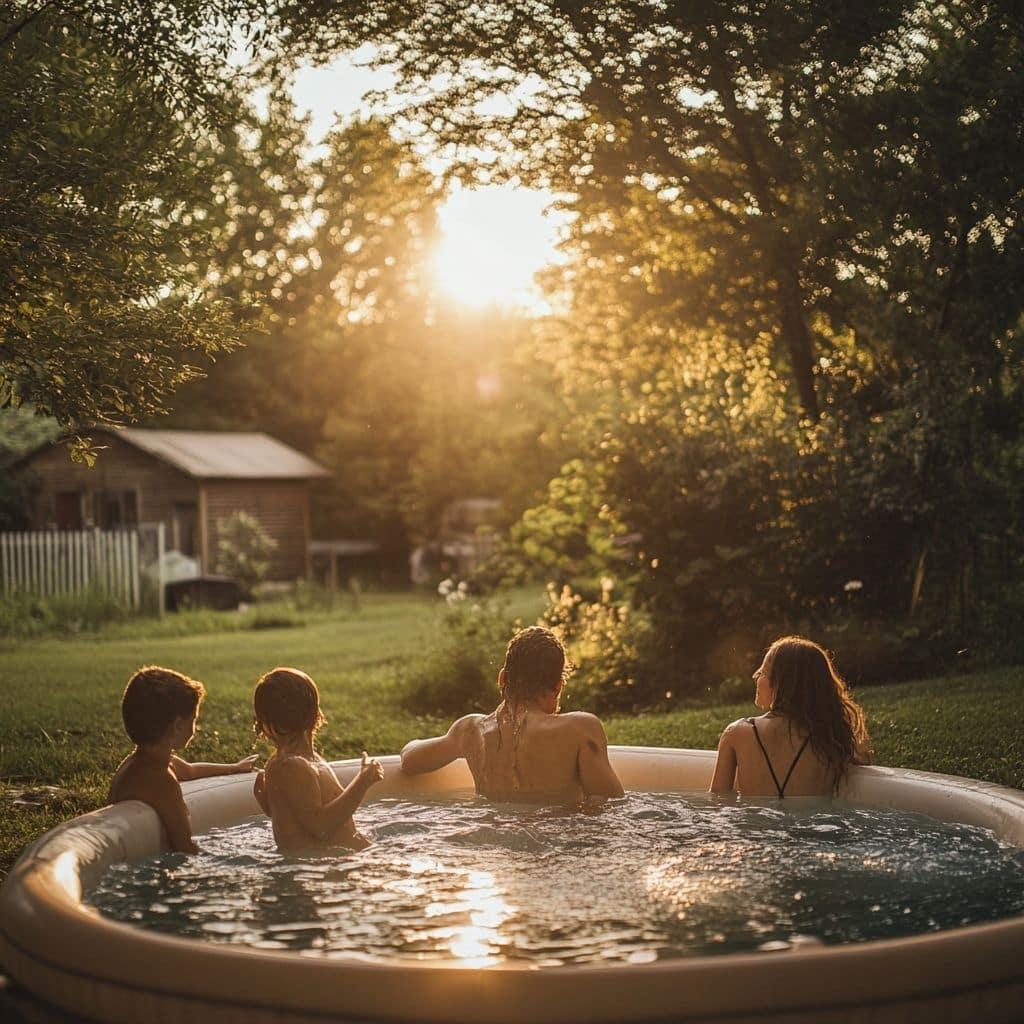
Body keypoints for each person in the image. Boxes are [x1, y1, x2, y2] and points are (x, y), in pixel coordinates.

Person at [400, 625, 624, 805]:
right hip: (556, 845)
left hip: (494, 846)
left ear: (502, 679)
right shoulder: (580, 729)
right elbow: (611, 805)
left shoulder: (469, 730)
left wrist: (411, 743)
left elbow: (409, 760)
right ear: (557, 687)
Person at [109, 665, 258, 853]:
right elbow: (185, 847)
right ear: (178, 725)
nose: (195, 728)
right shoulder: (162, 783)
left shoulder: (141, 763)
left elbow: (189, 771)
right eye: (193, 719)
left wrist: (234, 768)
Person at [710, 636, 873, 799]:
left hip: (756, 823)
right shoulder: (831, 736)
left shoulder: (736, 733)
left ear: (781, 682)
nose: (755, 676)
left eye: (762, 672)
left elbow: (718, 802)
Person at [252, 667, 384, 850]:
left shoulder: (309, 760)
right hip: (317, 870)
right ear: (314, 712)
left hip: (333, 863)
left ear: (264, 723)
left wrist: (272, 808)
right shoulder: (289, 765)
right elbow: (321, 827)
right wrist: (363, 781)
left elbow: (299, 814)